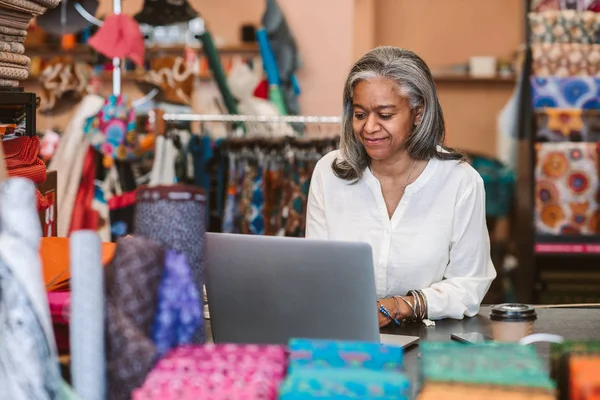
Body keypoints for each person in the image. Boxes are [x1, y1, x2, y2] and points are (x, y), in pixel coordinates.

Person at [305, 46, 496, 326]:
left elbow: (470, 285)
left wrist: (401, 306)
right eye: (360, 114)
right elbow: (315, 271)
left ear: (417, 113)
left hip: (430, 340)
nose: (369, 127)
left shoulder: (460, 182)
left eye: (385, 115)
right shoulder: (330, 173)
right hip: (343, 330)